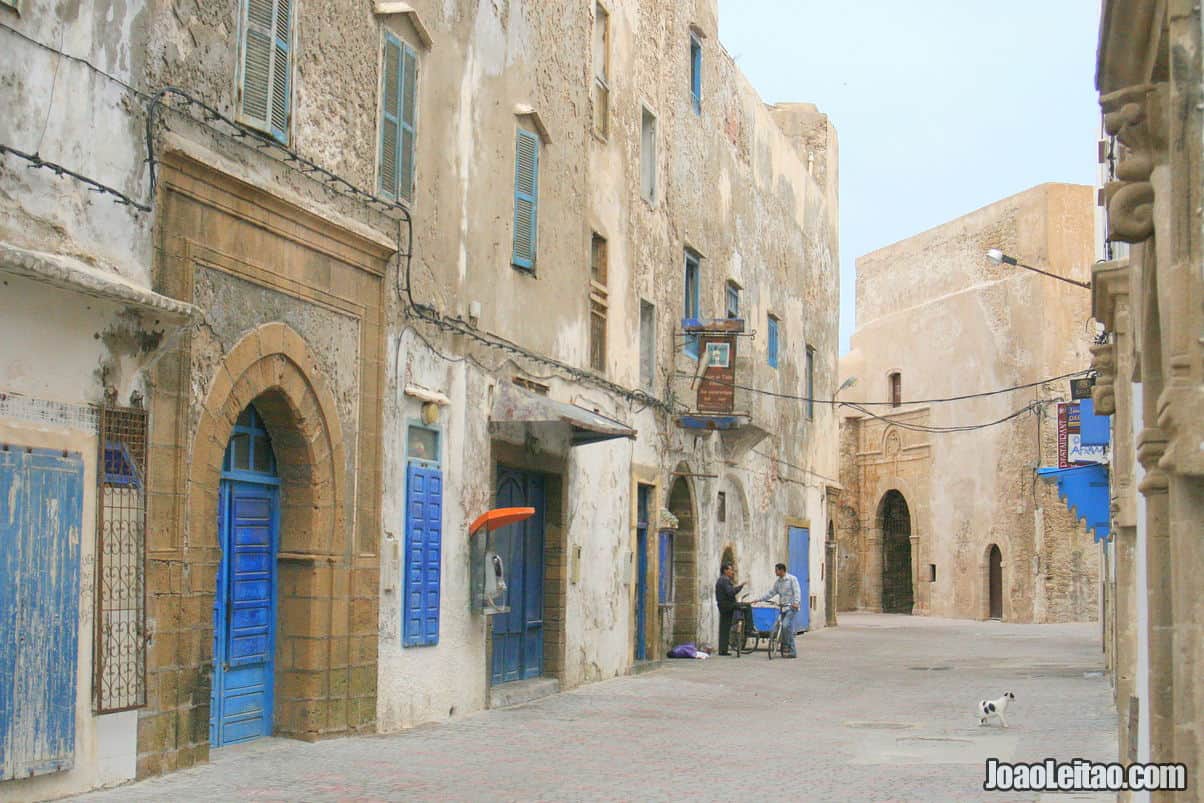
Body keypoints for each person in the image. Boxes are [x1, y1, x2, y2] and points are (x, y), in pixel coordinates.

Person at [758, 562, 801, 658]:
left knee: (786, 626)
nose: (775, 572)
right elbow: (771, 593)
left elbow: (797, 591)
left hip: (791, 607)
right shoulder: (778, 582)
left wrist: (796, 602)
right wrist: (760, 599)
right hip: (782, 607)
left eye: (776, 570)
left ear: (781, 570)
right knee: (780, 627)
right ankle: (785, 646)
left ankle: (792, 650)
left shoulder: (792, 579)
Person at [714, 563, 745, 655]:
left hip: (723, 605)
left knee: (724, 627)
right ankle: (748, 628)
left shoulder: (721, 580)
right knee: (746, 607)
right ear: (725, 571)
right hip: (728, 605)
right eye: (730, 570)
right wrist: (740, 587)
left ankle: (723, 650)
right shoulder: (725, 580)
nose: (732, 572)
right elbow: (730, 592)